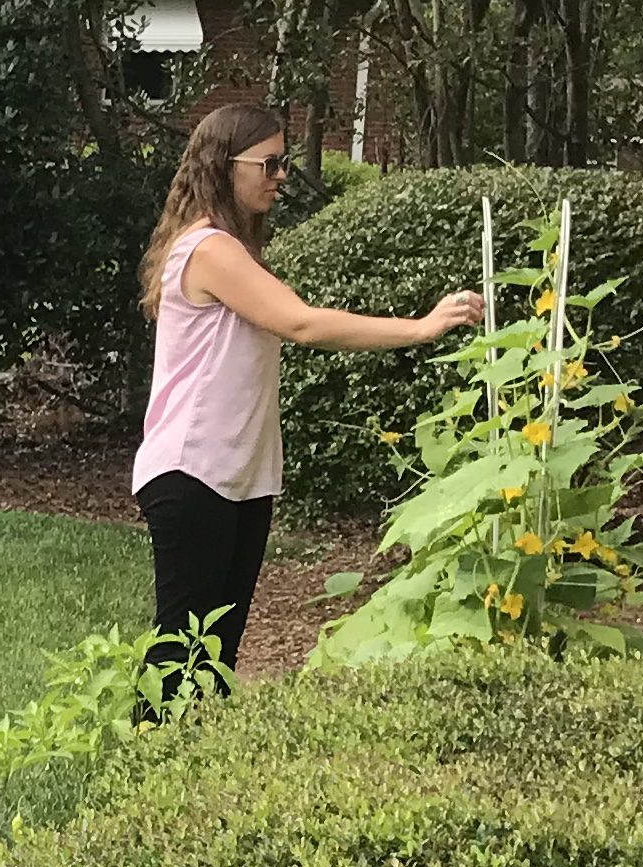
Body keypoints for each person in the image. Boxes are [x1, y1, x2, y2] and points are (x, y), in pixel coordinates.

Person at [134, 103, 483, 682]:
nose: (280, 177)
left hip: (239, 476)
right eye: (268, 164)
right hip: (192, 472)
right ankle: (151, 743)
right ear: (224, 165)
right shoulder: (209, 249)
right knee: (181, 654)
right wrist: (422, 328)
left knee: (215, 658)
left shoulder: (229, 247)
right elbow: (301, 322)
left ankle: (201, 745)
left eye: (284, 163)